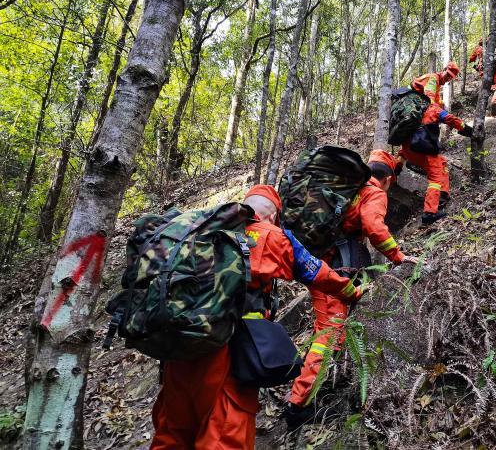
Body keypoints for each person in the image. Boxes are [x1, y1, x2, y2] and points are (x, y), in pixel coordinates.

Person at [150, 185, 363, 450]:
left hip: (177, 348)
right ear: (273, 215)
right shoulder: (271, 236)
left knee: (172, 433)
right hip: (226, 351)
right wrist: (351, 291)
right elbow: (317, 272)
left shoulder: (204, 230)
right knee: (224, 433)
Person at [285, 150, 419, 428]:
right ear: (388, 179)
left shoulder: (345, 190)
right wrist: (399, 256)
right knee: (330, 331)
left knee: (328, 327)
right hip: (335, 265)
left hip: (316, 258)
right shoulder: (373, 192)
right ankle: (298, 404)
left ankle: (316, 383)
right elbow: (373, 226)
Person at [399, 62, 473, 225]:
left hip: (409, 148)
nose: (448, 79)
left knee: (442, 162)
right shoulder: (431, 89)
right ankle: (429, 213)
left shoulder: (411, 116)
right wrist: (467, 130)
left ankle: (444, 193)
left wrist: (400, 162)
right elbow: (449, 118)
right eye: (447, 75)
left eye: (450, 78)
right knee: (435, 176)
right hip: (422, 145)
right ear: (443, 70)